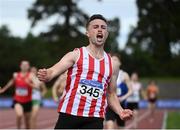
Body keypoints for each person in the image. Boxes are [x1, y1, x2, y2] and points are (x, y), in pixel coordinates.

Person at [37, 14, 133, 129]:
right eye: (95, 27)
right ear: (87, 33)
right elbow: (53, 71)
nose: (100, 29)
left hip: (95, 118)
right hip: (69, 114)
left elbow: (111, 94)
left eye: (103, 27)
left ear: (106, 34)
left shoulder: (113, 64)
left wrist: (120, 111)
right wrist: (47, 74)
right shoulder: (76, 55)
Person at [0, 60, 35, 129]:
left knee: (27, 122)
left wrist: (29, 83)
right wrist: (3, 89)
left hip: (28, 101)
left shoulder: (31, 75)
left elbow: (37, 86)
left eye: (26, 65)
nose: (24, 66)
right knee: (19, 114)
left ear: (28, 67)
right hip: (17, 100)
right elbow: (11, 82)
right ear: (20, 66)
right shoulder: (16, 75)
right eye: (23, 65)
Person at [105, 54, 132, 129]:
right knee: (109, 125)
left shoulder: (124, 75)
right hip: (110, 104)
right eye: (111, 59)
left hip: (121, 105)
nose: (113, 61)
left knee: (121, 127)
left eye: (115, 60)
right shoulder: (107, 73)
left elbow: (131, 90)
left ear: (120, 63)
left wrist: (123, 98)